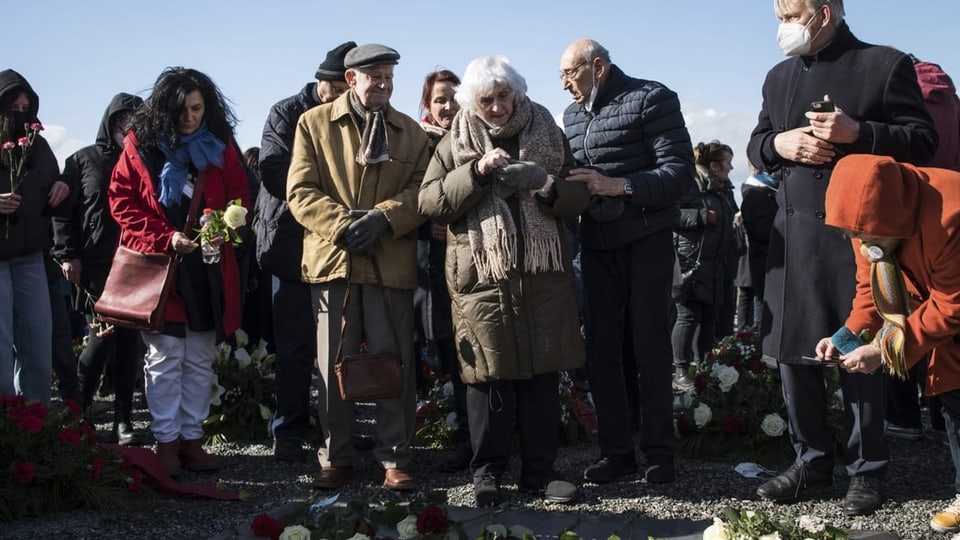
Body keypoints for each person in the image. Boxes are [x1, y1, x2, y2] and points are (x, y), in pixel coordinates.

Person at [748, 0, 938, 516]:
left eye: (791, 16)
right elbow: (757, 143)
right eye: (778, 18)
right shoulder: (778, 75)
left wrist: (861, 134)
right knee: (794, 356)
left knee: (857, 355)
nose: (783, 28)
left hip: (860, 238)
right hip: (797, 233)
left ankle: (867, 468)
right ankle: (811, 460)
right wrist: (778, 145)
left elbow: (923, 142)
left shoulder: (884, 63)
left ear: (825, 13)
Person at [419, 54, 589, 506]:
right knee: (487, 378)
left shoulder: (547, 130)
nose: (497, 107)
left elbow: (577, 196)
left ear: (518, 93)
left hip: (540, 275)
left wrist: (544, 183)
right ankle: (487, 473)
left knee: (541, 376)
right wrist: (475, 172)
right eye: (486, 100)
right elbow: (432, 202)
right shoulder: (454, 140)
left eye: (504, 96)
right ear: (473, 103)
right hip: (482, 277)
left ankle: (540, 473)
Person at [287, 43, 429, 491]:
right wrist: (343, 226)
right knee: (333, 366)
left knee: (395, 366)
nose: (385, 85)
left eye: (389, 77)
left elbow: (422, 193)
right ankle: (336, 457)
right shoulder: (313, 124)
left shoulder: (411, 132)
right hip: (334, 263)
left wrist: (384, 218)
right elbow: (300, 191)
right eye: (375, 77)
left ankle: (395, 459)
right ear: (351, 79)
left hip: (390, 264)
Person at [559, 38, 694, 484]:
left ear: (597, 67)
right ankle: (616, 451)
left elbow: (678, 173)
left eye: (569, 74)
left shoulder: (651, 98)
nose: (564, 86)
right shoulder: (573, 115)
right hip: (596, 246)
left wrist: (619, 186)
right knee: (600, 351)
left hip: (646, 239)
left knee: (649, 348)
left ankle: (659, 452)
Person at [109, 67, 250, 476]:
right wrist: (164, 237)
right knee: (166, 359)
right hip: (162, 271)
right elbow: (121, 202)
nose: (190, 118)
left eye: (197, 108)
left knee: (200, 359)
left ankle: (192, 438)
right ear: (163, 110)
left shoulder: (222, 146)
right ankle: (166, 441)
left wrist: (223, 227)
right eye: (181, 110)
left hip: (207, 270)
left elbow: (242, 194)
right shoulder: (141, 148)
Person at [814, 154, 960, 534]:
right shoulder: (870, 223)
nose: (863, 247)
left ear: (896, 218)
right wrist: (844, 338)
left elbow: (951, 303)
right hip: (939, 317)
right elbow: (870, 290)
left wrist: (884, 350)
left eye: (869, 238)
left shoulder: (951, 214)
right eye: (854, 237)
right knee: (954, 403)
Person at [257, 41, 358, 463]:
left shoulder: (356, 115)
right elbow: (274, 172)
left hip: (335, 247)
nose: (341, 97)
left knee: (338, 347)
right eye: (337, 88)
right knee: (295, 347)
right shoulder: (285, 113)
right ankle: (290, 430)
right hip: (290, 245)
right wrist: (330, 198)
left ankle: (335, 430)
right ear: (322, 83)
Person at [53, 92, 146, 445]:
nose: (127, 126)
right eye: (121, 120)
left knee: (129, 346)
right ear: (109, 122)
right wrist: (67, 254)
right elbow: (63, 213)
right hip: (94, 267)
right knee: (99, 343)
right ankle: (79, 413)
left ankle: (123, 421)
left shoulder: (145, 160)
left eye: (134, 121)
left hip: (136, 265)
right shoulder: (82, 160)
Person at [413, 68, 472, 472]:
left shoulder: (475, 138)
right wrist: (425, 221)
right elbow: (402, 195)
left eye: (454, 97)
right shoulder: (414, 142)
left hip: (467, 265)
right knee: (433, 348)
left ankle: (470, 435)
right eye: (439, 99)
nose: (447, 106)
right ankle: (432, 427)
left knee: (464, 352)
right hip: (425, 267)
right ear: (427, 104)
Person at [0, 69, 70, 405]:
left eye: (27, 106)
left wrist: (62, 187)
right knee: (0, 352)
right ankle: (6, 426)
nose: (22, 111)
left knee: (38, 345)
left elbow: (53, 186)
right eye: (14, 105)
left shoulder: (37, 145)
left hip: (30, 257)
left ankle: (35, 428)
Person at [671, 141, 737, 390]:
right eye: (727, 163)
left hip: (715, 264)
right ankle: (680, 371)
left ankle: (704, 367)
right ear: (714, 166)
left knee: (709, 317)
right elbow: (670, 214)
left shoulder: (723, 189)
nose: (731, 168)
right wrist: (699, 217)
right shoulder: (690, 184)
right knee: (687, 316)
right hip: (691, 262)